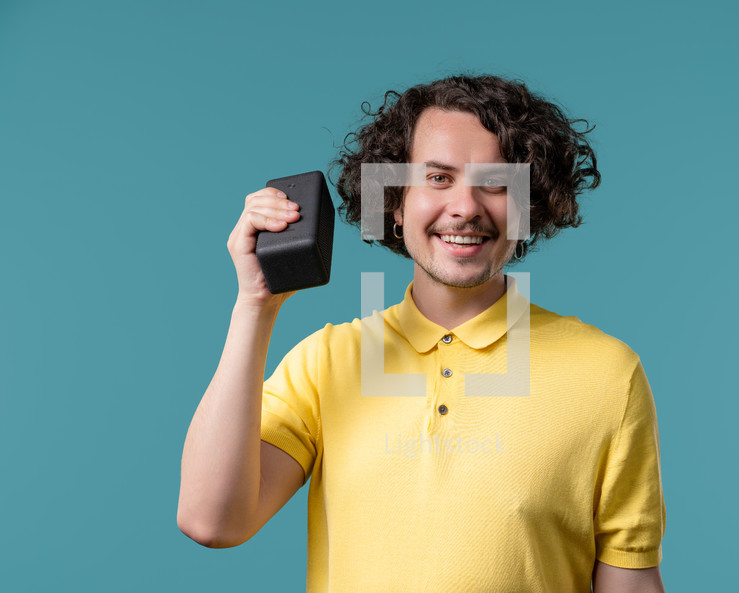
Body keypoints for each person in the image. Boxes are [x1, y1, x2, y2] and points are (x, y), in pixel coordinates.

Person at [177, 74, 666, 593]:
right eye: (437, 178)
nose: (466, 207)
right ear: (395, 202)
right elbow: (212, 521)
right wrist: (255, 306)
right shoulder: (325, 362)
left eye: (496, 182)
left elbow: (629, 583)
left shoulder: (608, 373)